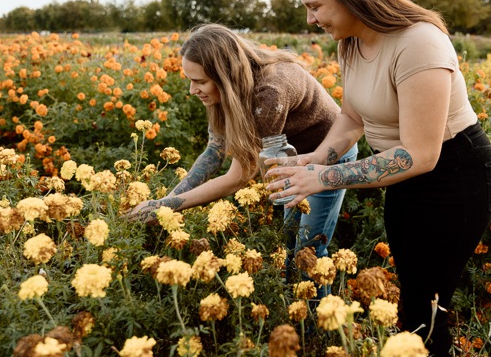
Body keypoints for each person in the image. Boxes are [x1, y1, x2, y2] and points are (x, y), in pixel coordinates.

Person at [265, 0, 491, 356]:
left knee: (429, 307)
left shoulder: (419, 42)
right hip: (404, 179)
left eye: (316, 5)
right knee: (412, 293)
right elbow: (352, 119)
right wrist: (317, 157)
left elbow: (420, 154)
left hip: (454, 177)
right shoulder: (351, 41)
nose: (310, 18)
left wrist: (324, 177)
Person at [126, 23, 358, 294]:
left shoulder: (268, 94)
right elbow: (215, 151)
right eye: (190, 80)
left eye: (200, 81)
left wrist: (165, 207)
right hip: (288, 159)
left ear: (225, 76)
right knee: (288, 241)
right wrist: (163, 205)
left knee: (308, 250)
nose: (192, 90)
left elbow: (236, 178)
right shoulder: (230, 92)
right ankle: (293, 309)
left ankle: (317, 325)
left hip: (327, 156)